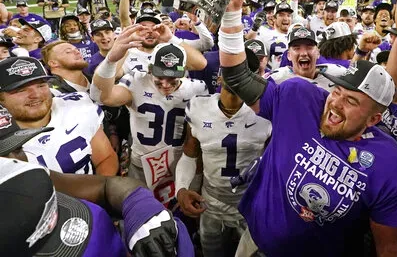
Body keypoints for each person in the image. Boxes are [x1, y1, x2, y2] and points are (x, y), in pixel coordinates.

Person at [218, 0, 397, 256]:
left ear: (373, 119)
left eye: (352, 101)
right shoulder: (299, 96)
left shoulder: (391, 164)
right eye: (338, 92)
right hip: (256, 243)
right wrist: (232, 12)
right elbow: (237, 78)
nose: (336, 104)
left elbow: (387, 247)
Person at [0, 114, 192, 257]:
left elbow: (105, 186)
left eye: (17, 149)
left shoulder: (27, 173)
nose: (14, 162)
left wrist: (138, 203)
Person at [92, 37, 207, 202]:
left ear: (184, 71)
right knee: (142, 210)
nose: (166, 84)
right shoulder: (137, 81)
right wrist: (111, 60)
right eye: (160, 76)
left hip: (180, 163)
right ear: (150, 69)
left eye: (172, 77)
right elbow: (101, 96)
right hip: (142, 164)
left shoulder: (197, 88)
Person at [176, 62, 272, 257]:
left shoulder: (268, 112)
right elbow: (190, 153)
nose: (236, 88)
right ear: (219, 77)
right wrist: (182, 188)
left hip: (251, 203)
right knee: (211, 252)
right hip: (211, 200)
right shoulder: (198, 107)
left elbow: (273, 163)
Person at [0, 57, 118, 176]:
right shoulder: (4, 137)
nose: (36, 95)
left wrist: (101, 191)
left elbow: (105, 158)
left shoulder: (77, 107)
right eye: (21, 90)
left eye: (41, 86)